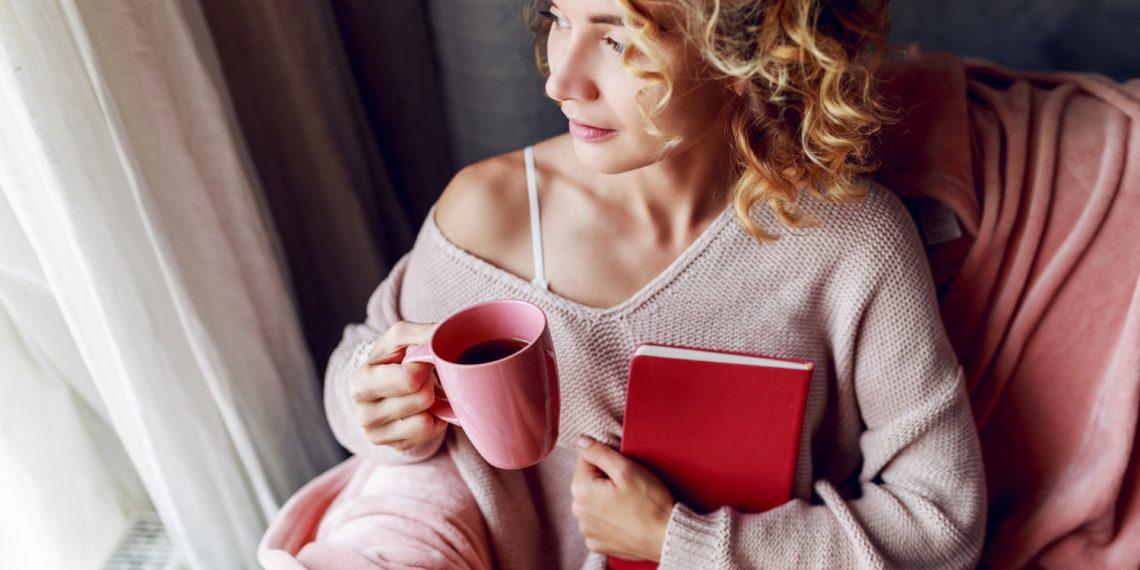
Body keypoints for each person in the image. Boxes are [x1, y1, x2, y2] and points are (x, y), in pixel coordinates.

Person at [327, 0, 987, 568]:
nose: (560, 82)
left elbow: (944, 525)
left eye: (618, 40)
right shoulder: (489, 214)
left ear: (746, 54)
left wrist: (678, 541)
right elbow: (361, 361)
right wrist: (376, 406)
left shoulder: (855, 245)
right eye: (559, 18)